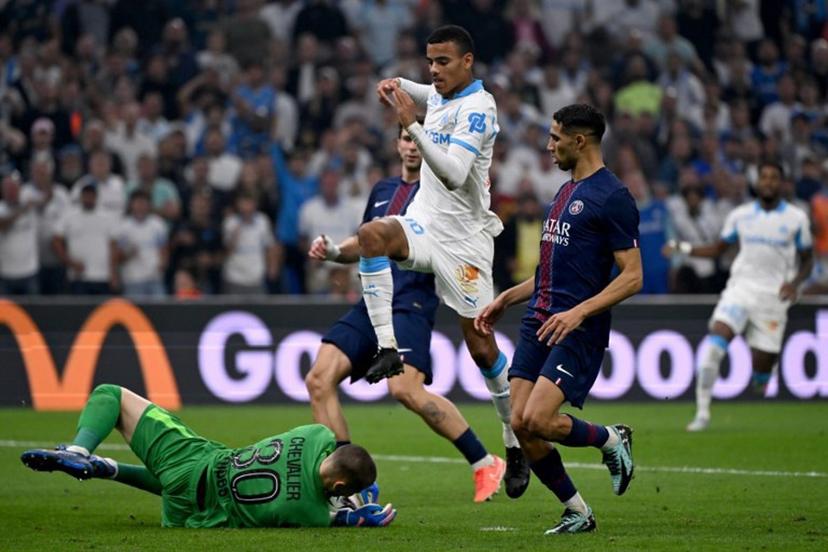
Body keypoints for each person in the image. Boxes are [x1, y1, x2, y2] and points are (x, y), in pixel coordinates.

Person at [361, 24, 529, 497]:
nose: (433, 71)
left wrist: (411, 121)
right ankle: (388, 348)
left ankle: (512, 438)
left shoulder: (478, 107)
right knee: (372, 236)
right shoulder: (437, 92)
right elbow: (416, 91)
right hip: (425, 223)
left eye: (443, 62)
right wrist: (394, 84)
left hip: (466, 243)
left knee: (481, 348)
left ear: (468, 62)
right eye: (430, 62)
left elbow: (455, 175)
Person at [306, 127, 512, 503]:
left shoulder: (444, 196)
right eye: (406, 139)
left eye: (420, 141)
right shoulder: (382, 190)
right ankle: (349, 486)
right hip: (372, 301)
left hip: (411, 300)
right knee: (319, 379)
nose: (412, 147)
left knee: (404, 388)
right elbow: (365, 242)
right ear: (397, 144)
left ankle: (484, 461)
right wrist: (335, 251)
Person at [475, 104, 642, 534]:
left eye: (555, 138)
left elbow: (633, 276)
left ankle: (610, 439)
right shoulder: (565, 191)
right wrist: (506, 299)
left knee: (540, 420)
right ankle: (577, 511)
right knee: (519, 422)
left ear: (579, 140)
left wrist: (580, 311)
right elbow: (552, 270)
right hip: (538, 319)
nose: (548, 147)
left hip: (577, 327)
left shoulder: (613, 197)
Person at [20, 384, 396, 529]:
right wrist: (352, 511)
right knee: (182, 489)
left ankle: (79, 450)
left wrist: (350, 493)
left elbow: (332, 465)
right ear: (340, 486)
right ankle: (107, 469)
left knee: (110, 396)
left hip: (198, 461)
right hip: (189, 514)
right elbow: (332, 510)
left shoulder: (317, 435)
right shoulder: (309, 514)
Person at [663, 162, 813, 432]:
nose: (768, 182)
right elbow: (718, 249)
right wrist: (682, 247)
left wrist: (795, 283)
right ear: (757, 182)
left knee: (762, 370)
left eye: (773, 178)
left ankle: (762, 376)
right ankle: (702, 414)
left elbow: (807, 259)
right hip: (740, 289)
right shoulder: (741, 215)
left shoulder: (796, 218)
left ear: (781, 183)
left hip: (773, 297)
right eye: (764, 177)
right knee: (714, 344)